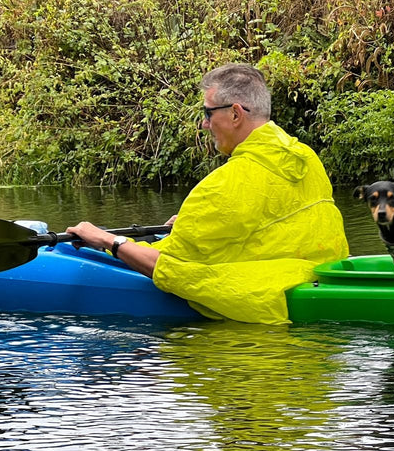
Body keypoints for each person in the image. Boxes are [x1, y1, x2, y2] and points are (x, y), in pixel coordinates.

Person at [67, 63, 349, 325]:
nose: (204, 124)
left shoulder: (223, 185)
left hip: (267, 311)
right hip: (317, 278)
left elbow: (170, 267)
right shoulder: (306, 158)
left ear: (236, 113)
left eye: (208, 113)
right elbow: (275, 230)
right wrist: (194, 226)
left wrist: (107, 239)